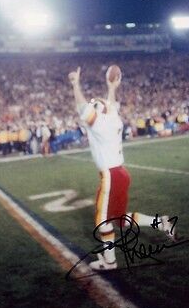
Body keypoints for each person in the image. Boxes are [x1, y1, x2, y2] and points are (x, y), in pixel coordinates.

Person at [68, 66, 176, 271]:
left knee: (103, 220)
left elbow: (83, 107)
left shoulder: (100, 122)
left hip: (111, 175)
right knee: (119, 218)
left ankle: (110, 262)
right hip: (120, 173)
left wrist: (76, 85)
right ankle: (161, 222)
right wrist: (111, 87)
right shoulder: (113, 117)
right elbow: (109, 105)